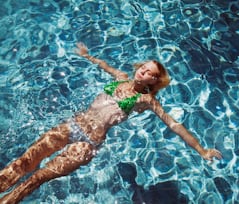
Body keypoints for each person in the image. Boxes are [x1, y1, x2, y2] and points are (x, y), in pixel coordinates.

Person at [0, 43, 222, 203]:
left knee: (38, 177)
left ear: (153, 81)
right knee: (24, 162)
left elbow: (174, 125)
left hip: (87, 144)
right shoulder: (121, 77)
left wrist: (202, 150)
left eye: (148, 73)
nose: (141, 72)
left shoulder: (146, 100)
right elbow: (103, 65)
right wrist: (88, 55)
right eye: (142, 67)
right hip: (71, 126)